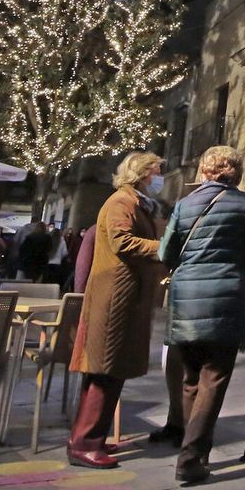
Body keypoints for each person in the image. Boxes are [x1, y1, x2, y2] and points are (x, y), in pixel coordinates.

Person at [159, 145, 245, 485]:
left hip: (186, 302)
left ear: (205, 171)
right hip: (227, 301)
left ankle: (197, 450)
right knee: (214, 378)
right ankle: (191, 457)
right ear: (235, 172)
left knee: (191, 379)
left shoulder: (184, 205)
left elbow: (166, 252)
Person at [66, 153, 167, 470]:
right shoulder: (121, 202)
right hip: (114, 298)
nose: (160, 176)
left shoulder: (136, 203)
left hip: (125, 297)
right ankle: (84, 443)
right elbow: (123, 242)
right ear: (142, 173)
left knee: (112, 370)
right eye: (157, 171)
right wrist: (163, 247)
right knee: (104, 370)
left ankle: (89, 437)